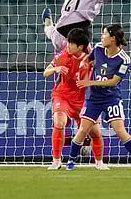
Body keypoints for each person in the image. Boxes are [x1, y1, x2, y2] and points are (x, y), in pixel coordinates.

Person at [67, 24, 131, 170]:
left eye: (104, 34)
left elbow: (114, 81)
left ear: (113, 39)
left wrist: (89, 82)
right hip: (93, 98)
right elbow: (87, 59)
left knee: (120, 131)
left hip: (111, 98)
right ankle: (71, 161)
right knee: (83, 130)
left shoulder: (124, 59)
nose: (101, 37)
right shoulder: (97, 49)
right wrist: (84, 64)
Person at [44, 28, 107, 170]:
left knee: (96, 133)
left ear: (80, 47)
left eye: (71, 43)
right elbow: (46, 72)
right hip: (63, 96)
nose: (68, 45)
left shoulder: (91, 58)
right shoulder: (62, 56)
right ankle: (56, 161)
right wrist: (56, 69)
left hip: (84, 99)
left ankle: (99, 162)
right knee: (59, 123)